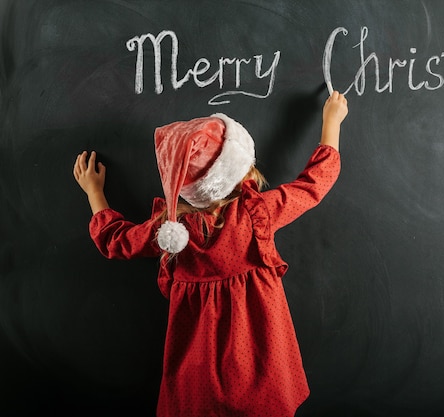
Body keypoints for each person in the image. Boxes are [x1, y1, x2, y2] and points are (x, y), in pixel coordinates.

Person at [73, 91, 348, 417]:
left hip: (199, 366)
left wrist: (95, 193)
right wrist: (331, 122)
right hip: (261, 358)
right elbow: (314, 183)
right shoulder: (257, 214)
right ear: (241, 170)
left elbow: (115, 241)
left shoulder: (169, 232)